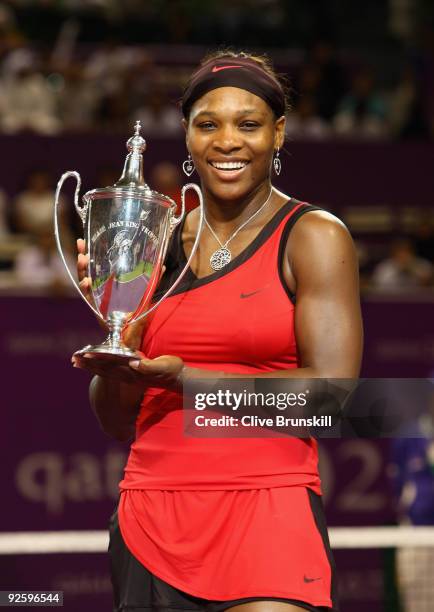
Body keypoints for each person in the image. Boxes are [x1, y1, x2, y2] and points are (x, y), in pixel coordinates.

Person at [73, 50, 363, 612]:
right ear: (186, 136)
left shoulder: (313, 236)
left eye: (249, 125)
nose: (227, 141)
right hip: (151, 517)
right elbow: (115, 422)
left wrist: (187, 381)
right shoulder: (150, 249)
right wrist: (121, 352)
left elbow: (332, 399)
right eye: (208, 125)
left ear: (278, 135)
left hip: (269, 509)